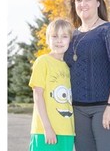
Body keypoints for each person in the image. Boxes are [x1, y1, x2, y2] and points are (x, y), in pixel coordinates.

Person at [64, 0, 110, 151]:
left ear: (98, 2)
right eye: (78, 0)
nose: (83, 4)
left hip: (105, 106)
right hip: (78, 109)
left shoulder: (109, 31)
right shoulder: (71, 36)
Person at [29, 18, 75, 151]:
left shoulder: (69, 67)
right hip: (45, 130)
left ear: (70, 41)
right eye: (54, 36)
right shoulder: (43, 61)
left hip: (67, 131)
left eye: (64, 36)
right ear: (48, 39)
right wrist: (47, 127)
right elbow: (38, 95)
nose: (59, 40)